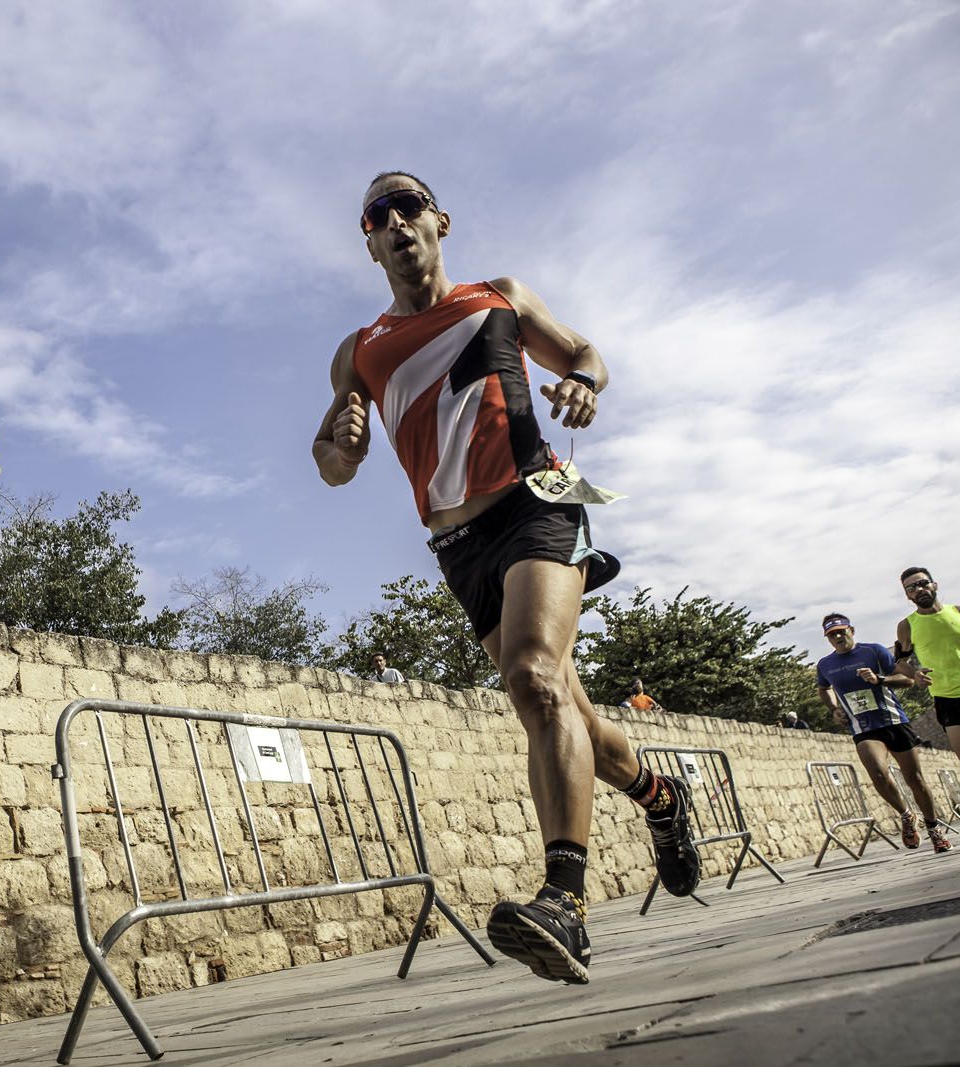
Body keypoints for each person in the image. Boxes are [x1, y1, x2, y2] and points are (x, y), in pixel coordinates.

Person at [313, 172, 699, 985]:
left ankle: (565, 900)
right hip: (458, 548)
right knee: (574, 720)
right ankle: (661, 797)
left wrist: (582, 385)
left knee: (531, 676)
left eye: (408, 205)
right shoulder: (358, 352)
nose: (395, 221)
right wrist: (341, 443)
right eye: (377, 215)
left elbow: (586, 353)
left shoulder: (499, 296)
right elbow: (332, 466)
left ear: (439, 221)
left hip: (539, 501)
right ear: (370, 241)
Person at [815, 613, 950, 852]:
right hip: (863, 727)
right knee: (877, 773)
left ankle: (934, 829)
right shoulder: (825, 664)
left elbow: (906, 680)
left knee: (915, 779)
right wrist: (834, 709)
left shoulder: (873, 651)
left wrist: (879, 680)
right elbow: (823, 688)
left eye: (841, 631)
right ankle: (907, 815)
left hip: (893, 721)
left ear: (852, 630)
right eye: (831, 634)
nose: (837, 637)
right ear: (827, 638)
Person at [893, 567, 960, 811]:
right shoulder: (907, 626)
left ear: (934, 585)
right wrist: (915, 674)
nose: (919, 589)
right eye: (911, 588)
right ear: (907, 596)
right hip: (947, 698)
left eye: (922, 583)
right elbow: (900, 663)